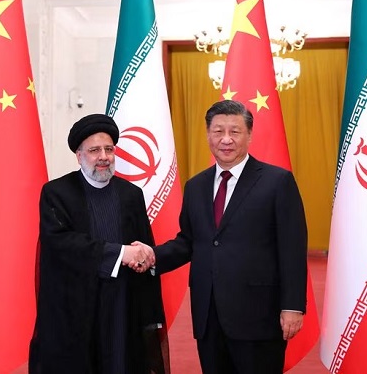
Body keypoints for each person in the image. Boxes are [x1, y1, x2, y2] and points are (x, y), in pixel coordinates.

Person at [152, 100, 308, 374]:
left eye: (235, 132)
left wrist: (293, 306)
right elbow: (189, 241)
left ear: (249, 135)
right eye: (218, 131)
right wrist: (150, 257)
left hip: (259, 316)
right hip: (209, 316)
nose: (226, 139)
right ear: (208, 135)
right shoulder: (196, 186)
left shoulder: (277, 182)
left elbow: (292, 249)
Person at [28, 114, 169, 374]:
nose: (103, 156)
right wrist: (120, 253)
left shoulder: (131, 194)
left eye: (109, 149)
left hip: (122, 306)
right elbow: (62, 244)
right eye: (94, 150)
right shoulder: (57, 193)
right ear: (79, 155)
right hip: (76, 308)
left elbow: (143, 244)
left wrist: (143, 256)